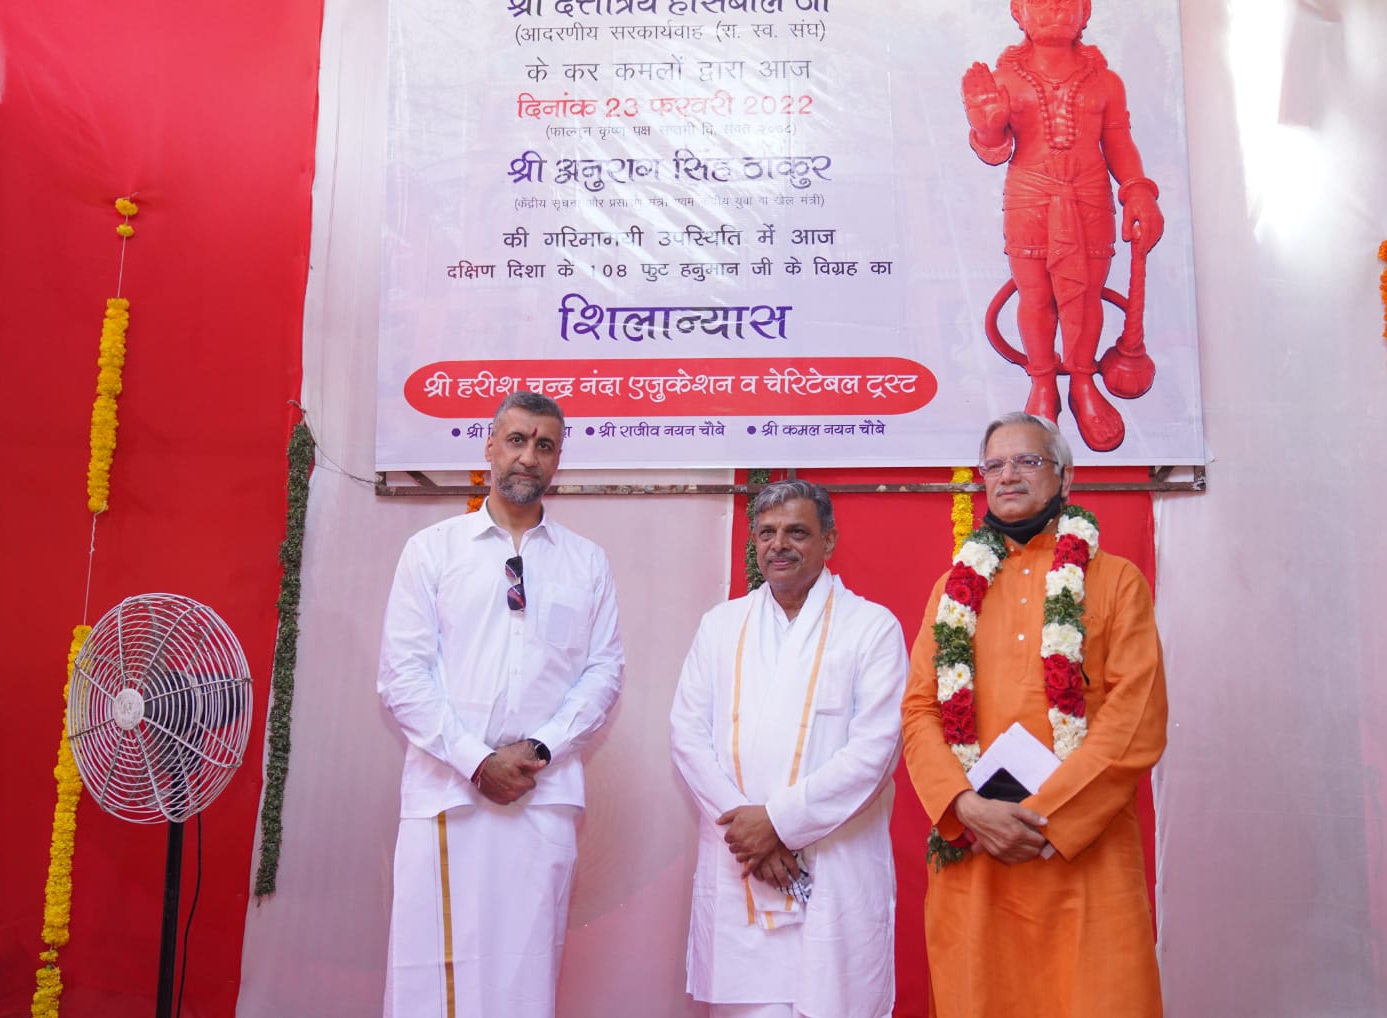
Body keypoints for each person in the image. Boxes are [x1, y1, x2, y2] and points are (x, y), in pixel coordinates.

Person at [902, 411, 1168, 1017]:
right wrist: (966, 808)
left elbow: (1136, 718)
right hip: (976, 852)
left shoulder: (1115, 581)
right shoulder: (952, 590)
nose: (1008, 475)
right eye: (993, 465)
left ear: (1065, 477)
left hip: (1084, 855)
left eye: (1027, 461)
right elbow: (919, 710)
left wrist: (1039, 817)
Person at [376, 391, 625, 1018]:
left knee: (524, 973)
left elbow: (603, 672)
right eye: (516, 440)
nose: (527, 457)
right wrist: (475, 760)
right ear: (490, 448)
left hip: (544, 794)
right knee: (432, 975)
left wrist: (538, 749)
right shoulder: (433, 551)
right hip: (447, 793)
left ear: (557, 461)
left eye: (544, 446)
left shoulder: (586, 562)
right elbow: (402, 675)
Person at [668, 480, 908, 1018]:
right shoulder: (720, 626)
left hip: (834, 872)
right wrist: (750, 834)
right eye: (767, 533)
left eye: (797, 532)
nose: (780, 545)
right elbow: (687, 735)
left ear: (829, 541)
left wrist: (776, 822)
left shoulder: (871, 628)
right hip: (743, 865)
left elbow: (876, 752)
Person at [962, 0, 1166, 452]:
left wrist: (1138, 190)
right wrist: (987, 125)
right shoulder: (1005, 80)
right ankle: (1041, 383)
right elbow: (997, 151)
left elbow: (1118, 143)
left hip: (1090, 199)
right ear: (1017, 9)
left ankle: (1082, 380)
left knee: (1086, 298)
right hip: (1030, 199)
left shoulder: (1105, 82)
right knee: (1036, 297)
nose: (1052, 9)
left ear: (1085, 7)